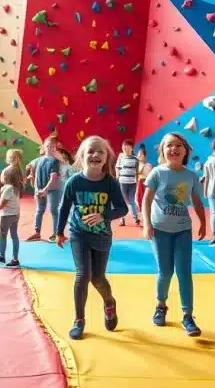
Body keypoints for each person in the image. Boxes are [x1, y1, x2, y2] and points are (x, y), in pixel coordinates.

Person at [56, 136, 128, 340]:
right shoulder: (74, 182)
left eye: (100, 152)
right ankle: (79, 320)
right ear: (81, 156)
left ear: (107, 158)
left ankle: (109, 302)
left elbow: (122, 208)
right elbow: (64, 208)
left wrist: (104, 216)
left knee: (98, 277)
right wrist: (59, 232)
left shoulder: (110, 183)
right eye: (90, 151)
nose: (95, 155)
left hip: (102, 236)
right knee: (82, 274)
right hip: (78, 233)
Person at [142, 133, 206, 337]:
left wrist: (203, 222)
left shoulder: (190, 176)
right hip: (159, 230)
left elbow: (197, 201)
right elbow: (146, 200)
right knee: (165, 272)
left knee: (184, 273)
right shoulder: (157, 173)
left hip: (182, 230)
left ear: (185, 150)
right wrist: (146, 224)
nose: (174, 148)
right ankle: (161, 305)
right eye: (169, 145)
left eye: (178, 145)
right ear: (162, 150)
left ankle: (188, 315)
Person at [26, 136, 61, 242]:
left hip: (52, 190)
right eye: (47, 146)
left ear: (55, 148)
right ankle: (37, 232)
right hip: (40, 189)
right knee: (39, 209)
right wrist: (37, 189)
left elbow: (53, 177)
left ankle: (56, 233)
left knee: (54, 211)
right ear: (44, 147)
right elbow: (35, 173)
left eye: (52, 146)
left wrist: (46, 189)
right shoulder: (38, 160)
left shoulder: (55, 161)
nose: (49, 148)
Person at [0, 165, 21, 267]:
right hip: (15, 215)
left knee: (3, 234)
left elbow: (2, 204)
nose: (1, 177)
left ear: (7, 177)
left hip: (7, 216)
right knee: (14, 235)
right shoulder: (15, 188)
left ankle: (1, 254)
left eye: (2, 175)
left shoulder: (8, 188)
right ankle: (15, 258)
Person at [114, 139, 141, 226]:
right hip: (122, 182)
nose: (125, 148)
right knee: (123, 201)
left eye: (127, 147)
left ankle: (136, 217)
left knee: (132, 200)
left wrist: (137, 180)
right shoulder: (121, 158)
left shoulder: (136, 159)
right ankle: (122, 219)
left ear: (132, 148)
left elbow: (137, 171)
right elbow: (117, 168)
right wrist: (117, 179)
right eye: (123, 147)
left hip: (132, 183)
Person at [134, 145, 153, 211]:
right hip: (140, 183)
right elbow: (138, 173)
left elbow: (151, 175)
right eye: (138, 155)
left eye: (141, 154)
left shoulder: (149, 165)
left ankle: (148, 208)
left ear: (145, 156)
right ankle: (141, 209)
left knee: (148, 196)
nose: (139, 156)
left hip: (148, 182)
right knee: (140, 197)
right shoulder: (138, 165)